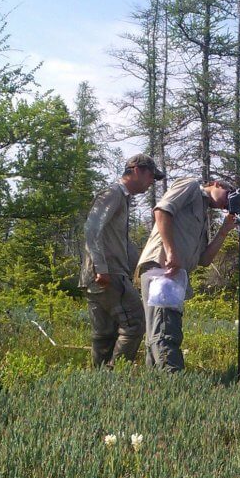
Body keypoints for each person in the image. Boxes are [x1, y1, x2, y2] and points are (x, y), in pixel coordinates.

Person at [137, 176, 238, 372]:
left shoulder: (202, 212)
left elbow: (204, 260)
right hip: (163, 270)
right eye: (228, 195)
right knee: (166, 329)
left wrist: (224, 230)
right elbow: (161, 211)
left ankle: (156, 385)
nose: (228, 202)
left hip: (174, 274)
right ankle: (174, 381)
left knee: (157, 331)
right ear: (216, 184)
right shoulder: (191, 187)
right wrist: (171, 252)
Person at [80, 154, 164, 368]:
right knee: (136, 323)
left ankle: (100, 382)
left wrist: (143, 268)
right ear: (137, 170)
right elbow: (91, 229)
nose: (151, 183)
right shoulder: (113, 193)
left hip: (101, 274)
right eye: (151, 176)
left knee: (104, 333)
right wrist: (101, 268)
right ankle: (115, 373)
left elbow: (119, 241)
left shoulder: (121, 197)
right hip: (107, 274)